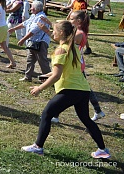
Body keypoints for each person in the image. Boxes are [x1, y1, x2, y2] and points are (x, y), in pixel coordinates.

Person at [21, 20, 110, 159]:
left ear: (61, 33)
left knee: (47, 114)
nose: (52, 33)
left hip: (70, 89)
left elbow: (56, 75)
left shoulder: (61, 50)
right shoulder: (74, 47)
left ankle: (38, 147)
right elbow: (65, 70)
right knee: (86, 119)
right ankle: (103, 150)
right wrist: (46, 75)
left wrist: (40, 88)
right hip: (83, 89)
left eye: (54, 31)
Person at [9, 1, 51, 82]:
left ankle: (49, 80)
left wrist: (23, 39)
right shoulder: (34, 16)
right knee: (30, 60)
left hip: (40, 43)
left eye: (31, 7)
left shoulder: (41, 17)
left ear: (36, 9)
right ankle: (28, 77)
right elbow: (25, 23)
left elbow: (34, 30)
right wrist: (14, 29)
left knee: (42, 62)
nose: (30, 8)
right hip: (32, 42)